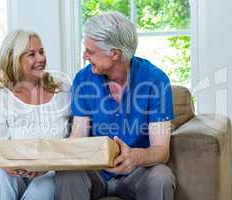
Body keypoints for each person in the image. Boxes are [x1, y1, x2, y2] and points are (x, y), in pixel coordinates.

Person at [55, 12, 176, 200]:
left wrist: (134, 157)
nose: (85, 55)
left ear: (115, 54)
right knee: (68, 173)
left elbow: (161, 150)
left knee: (161, 176)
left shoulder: (155, 81)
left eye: (90, 51)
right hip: (95, 173)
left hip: (137, 173)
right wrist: (46, 161)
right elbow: (78, 136)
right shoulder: (83, 79)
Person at [0, 30, 70, 200]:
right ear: (14, 59)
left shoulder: (63, 90)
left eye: (41, 52)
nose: (41, 59)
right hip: (14, 171)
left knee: (42, 188)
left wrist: (44, 165)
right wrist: (10, 164)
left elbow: (75, 140)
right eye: (31, 54)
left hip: (52, 171)